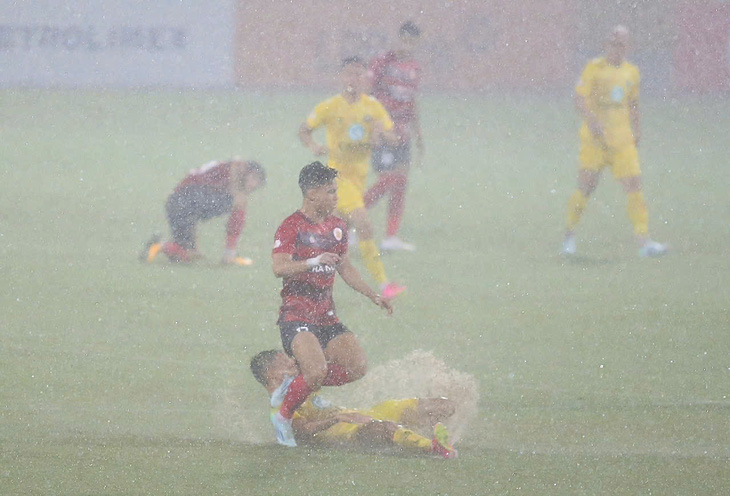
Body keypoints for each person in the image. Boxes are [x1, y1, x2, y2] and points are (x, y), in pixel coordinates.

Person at [270, 161, 393, 447]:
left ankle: (298, 384)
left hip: (326, 317)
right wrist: (313, 261)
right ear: (311, 194)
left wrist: (372, 294)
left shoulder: (337, 226)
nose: (337, 198)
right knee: (316, 371)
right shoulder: (291, 226)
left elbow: (346, 267)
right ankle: (283, 415)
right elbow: (279, 267)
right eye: (331, 192)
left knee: (357, 366)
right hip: (296, 316)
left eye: (336, 191)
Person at [299, 56, 406, 299]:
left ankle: (305, 279)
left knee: (333, 236)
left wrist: (382, 135)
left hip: (358, 182)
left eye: (358, 74)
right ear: (341, 77)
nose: (353, 79)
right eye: (348, 74)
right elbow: (304, 129)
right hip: (335, 179)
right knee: (363, 222)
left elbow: (394, 138)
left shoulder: (373, 107)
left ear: (365, 78)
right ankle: (383, 284)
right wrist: (313, 145)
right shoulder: (330, 106)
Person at [562, 25, 667, 258]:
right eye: (612, 43)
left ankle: (644, 242)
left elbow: (633, 103)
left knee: (634, 187)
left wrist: (637, 130)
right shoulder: (594, 68)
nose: (616, 48)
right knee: (585, 188)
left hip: (621, 140)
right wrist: (593, 123)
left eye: (620, 44)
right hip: (595, 141)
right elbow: (579, 99)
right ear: (605, 45)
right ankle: (569, 237)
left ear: (627, 47)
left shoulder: (632, 72)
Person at [250, 349, 458, 458]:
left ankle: (427, 434)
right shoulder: (280, 408)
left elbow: (324, 367)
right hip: (344, 432)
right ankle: (436, 448)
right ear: (271, 374)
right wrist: (336, 419)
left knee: (442, 405)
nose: (292, 362)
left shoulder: (298, 386)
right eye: (285, 362)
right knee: (386, 429)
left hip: (361, 414)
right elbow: (304, 430)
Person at [364, 21, 424, 252]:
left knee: (401, 183)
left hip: (403, 135)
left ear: (417, 43)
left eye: (411, 41)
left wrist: (418, 136)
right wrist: (373, 127)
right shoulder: (382, 62)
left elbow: (412, 102)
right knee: (388, 179)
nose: (406, 45)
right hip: (384, 133)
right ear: (397, 38)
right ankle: (349, 221)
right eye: (403, 39)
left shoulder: (415, 68)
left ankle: (391, 237)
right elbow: (367, 94)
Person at [140, 158, 266, 265]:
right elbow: (236, 212)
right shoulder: (232, 172)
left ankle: (158, 245)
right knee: (236, 203)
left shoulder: (231, 172)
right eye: (254, 178)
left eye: (258, 183)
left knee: (187, 256)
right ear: (246, 171)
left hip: (181, 205)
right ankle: (160, 246)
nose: (254, 185)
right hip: (183, 204)